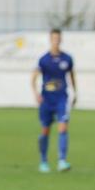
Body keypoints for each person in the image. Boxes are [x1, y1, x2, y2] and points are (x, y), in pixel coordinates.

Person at [32, 29, 76, 173]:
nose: (56, 40)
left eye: (58, 38)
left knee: (63, 127)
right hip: (47, 99)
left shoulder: (67, 58)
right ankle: (43, 161)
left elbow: (72, 75)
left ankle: (62, 161)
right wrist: (36, 93)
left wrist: (75, 91)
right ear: (50, 39)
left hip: (61, 98)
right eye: (54, 38)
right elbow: (33, 77)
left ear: (61, 39)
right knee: (45, 130)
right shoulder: (43, 59)